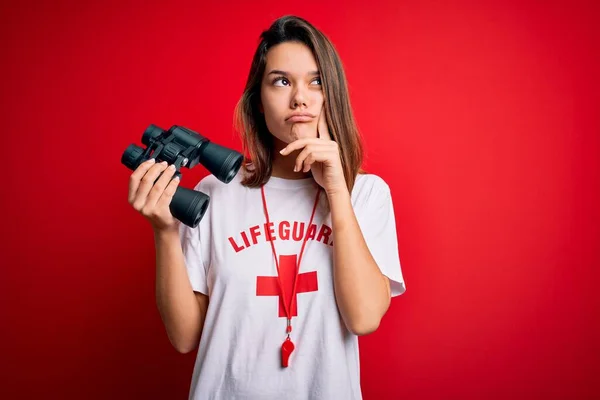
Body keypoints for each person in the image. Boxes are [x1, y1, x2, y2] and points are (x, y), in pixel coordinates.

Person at [127, 15, 406, 400]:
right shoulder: (215, 191)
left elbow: (363, 317)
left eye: (316, 81)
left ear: (332, 94)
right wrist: (164, 230)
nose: (300, 98)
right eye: (281, 81)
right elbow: (184, 336)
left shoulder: (367, 193)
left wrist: (337, 192)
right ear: (258, 101)